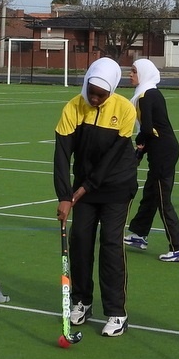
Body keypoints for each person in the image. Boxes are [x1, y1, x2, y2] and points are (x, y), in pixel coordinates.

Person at [54, 57, 138, 337]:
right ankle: (82, 301)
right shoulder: (73, 108)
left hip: (117, 185)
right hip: (84, 187)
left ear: (112, 90)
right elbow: (62, 154)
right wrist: (64, 195)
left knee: (111, 243)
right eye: (91, 91)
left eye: (101, 95)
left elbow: (113, 158)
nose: (95, 98)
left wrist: (85, 187)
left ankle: (117, 312)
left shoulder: (125, 110)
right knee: (80, 240)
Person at [122, 59, 179, 262]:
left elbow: (147, 129)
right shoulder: (152, 92)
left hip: (163, 152)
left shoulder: (145, 96)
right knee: (152, 193)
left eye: (134, 71)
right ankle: (138, 234)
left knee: (162, 199)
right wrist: (142, 149)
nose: (130, 75)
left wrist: (138, 148)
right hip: (163, 149)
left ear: (143, 74)